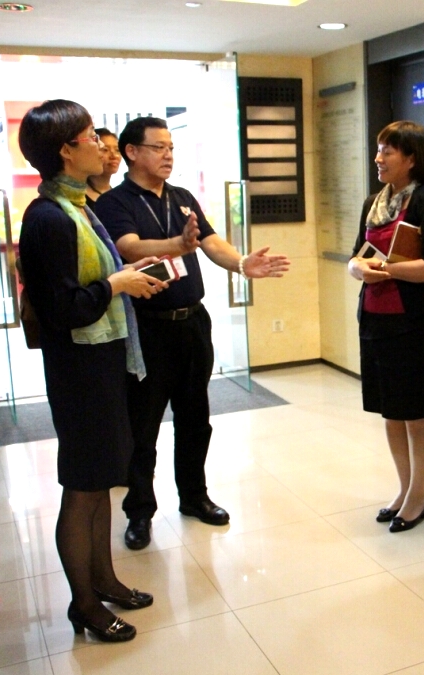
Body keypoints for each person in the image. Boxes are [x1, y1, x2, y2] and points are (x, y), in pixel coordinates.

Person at [94, 117, 290, 551]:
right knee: (143, 426)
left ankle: (194, 497)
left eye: (171, 148)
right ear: (132, 152)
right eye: (158, 147)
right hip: (147, 328)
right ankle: (140, 512)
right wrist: (176, 245)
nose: (168, 155)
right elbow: (128, 245)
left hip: (192, 324)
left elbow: (212, 242)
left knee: (195, 418)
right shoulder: (114, 202)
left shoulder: (181, 197)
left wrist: (241, 264)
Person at [17, 100, 167, 642]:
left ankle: (104, 579)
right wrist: (115, 284)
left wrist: (125, 274)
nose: (102, 147)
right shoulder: (48, 217)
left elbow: (90, 282)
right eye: (89, 138)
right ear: (65, 150)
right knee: (82, 487)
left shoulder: (79, 207)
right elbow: (64, 309)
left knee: (101, 480)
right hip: (79, 371)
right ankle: (83, 603)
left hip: (102, 363)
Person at [347, 121, 424, 533]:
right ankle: (405, 489)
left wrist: (386, 270)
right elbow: (357, 255)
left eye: (387, 151)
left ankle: (418, 495)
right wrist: (357, 268)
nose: (378, 158)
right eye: (378, 150)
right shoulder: (373, 203)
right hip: (374, 320)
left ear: (411, 158)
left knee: (416, 413)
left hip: (412, 325)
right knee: (391, 411)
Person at [85, 128, 121, 210]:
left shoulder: (119, 196)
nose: (114, 156)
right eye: (105, 150)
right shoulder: (80, 198)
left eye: (117, 150)